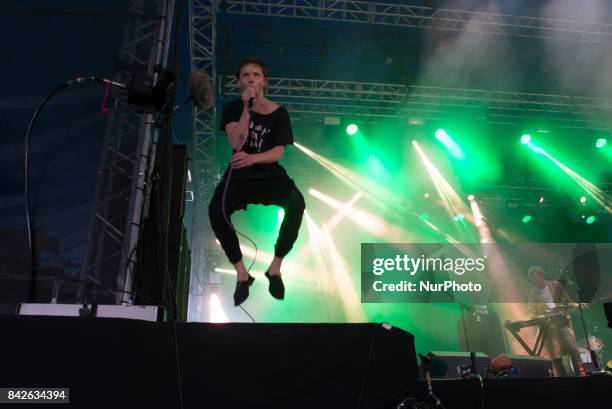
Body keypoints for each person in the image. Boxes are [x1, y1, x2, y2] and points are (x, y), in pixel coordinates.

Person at [208, 58, 305, 306]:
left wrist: (253, 158)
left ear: (264, 80)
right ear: (239, 81)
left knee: (296, 202)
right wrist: (246, 110)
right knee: (216, 211)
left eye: (256, 74)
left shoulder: (279, 112)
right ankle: (242, 274)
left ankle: (275, 267)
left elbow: (278, 152)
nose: (251, 78)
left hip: (268, 172)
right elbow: (236, 143)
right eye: (246, 75)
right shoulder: (233, 108)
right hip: (239, 174)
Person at [527, 265, 583, 376]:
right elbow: (531, 310)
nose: (535, 281)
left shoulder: (555, 285)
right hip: (547, 326)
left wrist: (576, 305)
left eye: (536, 277)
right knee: (555, 356)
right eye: (533, 279)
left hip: (561, 322)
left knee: (573, 349)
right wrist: (533, 316)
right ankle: (563, 378)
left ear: (542, 276)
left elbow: (567, 301)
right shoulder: (533, 292)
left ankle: (580, 375)